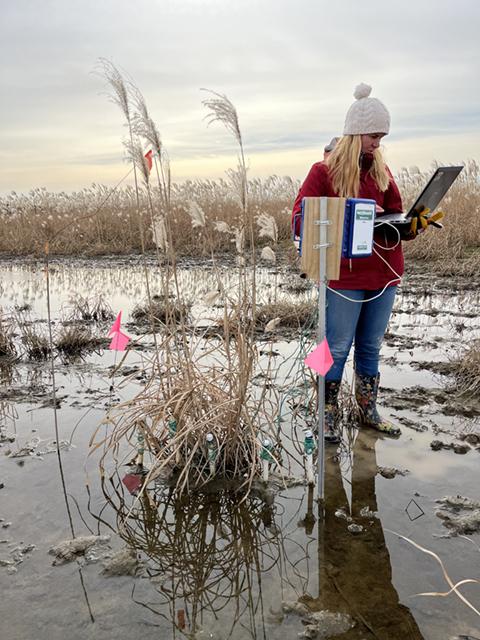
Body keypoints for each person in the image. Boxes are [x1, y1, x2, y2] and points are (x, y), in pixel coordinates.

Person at [292, 83, 404, 441]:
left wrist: (411, 225)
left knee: (370, 347)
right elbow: (299, 220)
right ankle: (326, 417)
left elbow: (396, 218)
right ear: (355, 133)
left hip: (384, 274)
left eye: (382, 136)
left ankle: (368, 411)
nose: (378, 143)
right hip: (343, 275)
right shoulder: (322, 172)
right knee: (337, 347)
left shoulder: (381, 173)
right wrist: (340, 221)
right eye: (374, 135)